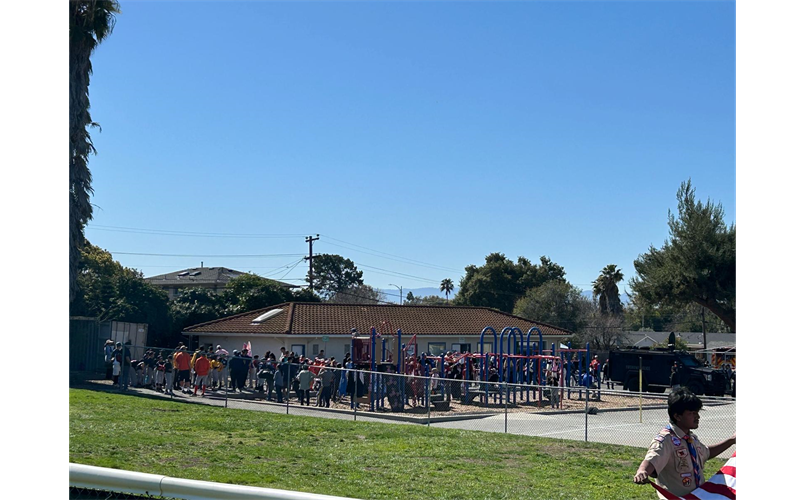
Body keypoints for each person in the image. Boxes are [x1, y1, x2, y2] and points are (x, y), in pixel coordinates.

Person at [633, 388, 736, 498]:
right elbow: (652, 459)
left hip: (697, 496)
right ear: (677, 416)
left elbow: (706, 452)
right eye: (692, 413)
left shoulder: (691, 438)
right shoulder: (666, 440)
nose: (697, 417)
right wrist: (642, 471)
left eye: (697, 412)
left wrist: (731, 440)